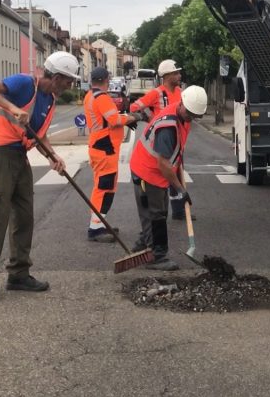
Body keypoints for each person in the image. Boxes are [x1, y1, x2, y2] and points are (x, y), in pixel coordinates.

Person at [0, 51, 80, 303]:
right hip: (0, 155)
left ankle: (18, 273)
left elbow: (40, 135)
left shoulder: (49, 99)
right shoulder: (24, 83)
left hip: (20, 158)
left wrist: (53, 156)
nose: (70, 86)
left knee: (24, 216)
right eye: (69, 81)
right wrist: (13, 107)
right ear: (58, 77)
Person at [128, 85, 207, 271]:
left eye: (195, 116)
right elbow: (163, 164)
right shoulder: (168, 127)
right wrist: (181, 190)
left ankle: (144, 243)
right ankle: (157, 256)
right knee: (156, 214)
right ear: (182, 104)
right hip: (147, 172)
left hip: (153, 171)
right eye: (190, 114)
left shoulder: (181, 114)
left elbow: (173, 154)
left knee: (157, 211)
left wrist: (178, 160)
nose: (191, 118)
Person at [83, 67, 144, 242]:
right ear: (104, 80)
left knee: (105, 186)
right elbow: (114, 120)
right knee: (104, 187)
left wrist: (124, 119)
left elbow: (108, 119)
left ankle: (100, 223)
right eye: (108, 79)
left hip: (100, 146)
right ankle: (95, 228)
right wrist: (133, 118)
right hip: (105, 148)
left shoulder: (90, 96)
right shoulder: (102, 97)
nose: (109, 81)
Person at [129, 59, 187, 222]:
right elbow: (135, 107)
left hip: (178, 141)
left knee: (177, 175)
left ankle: (179, 211)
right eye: (176, 73)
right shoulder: (157, 93)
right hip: (162, 141)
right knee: (164, 176)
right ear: (167, 76)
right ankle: (159, 219)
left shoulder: (180, 92)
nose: (179, 75)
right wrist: (151, 118)